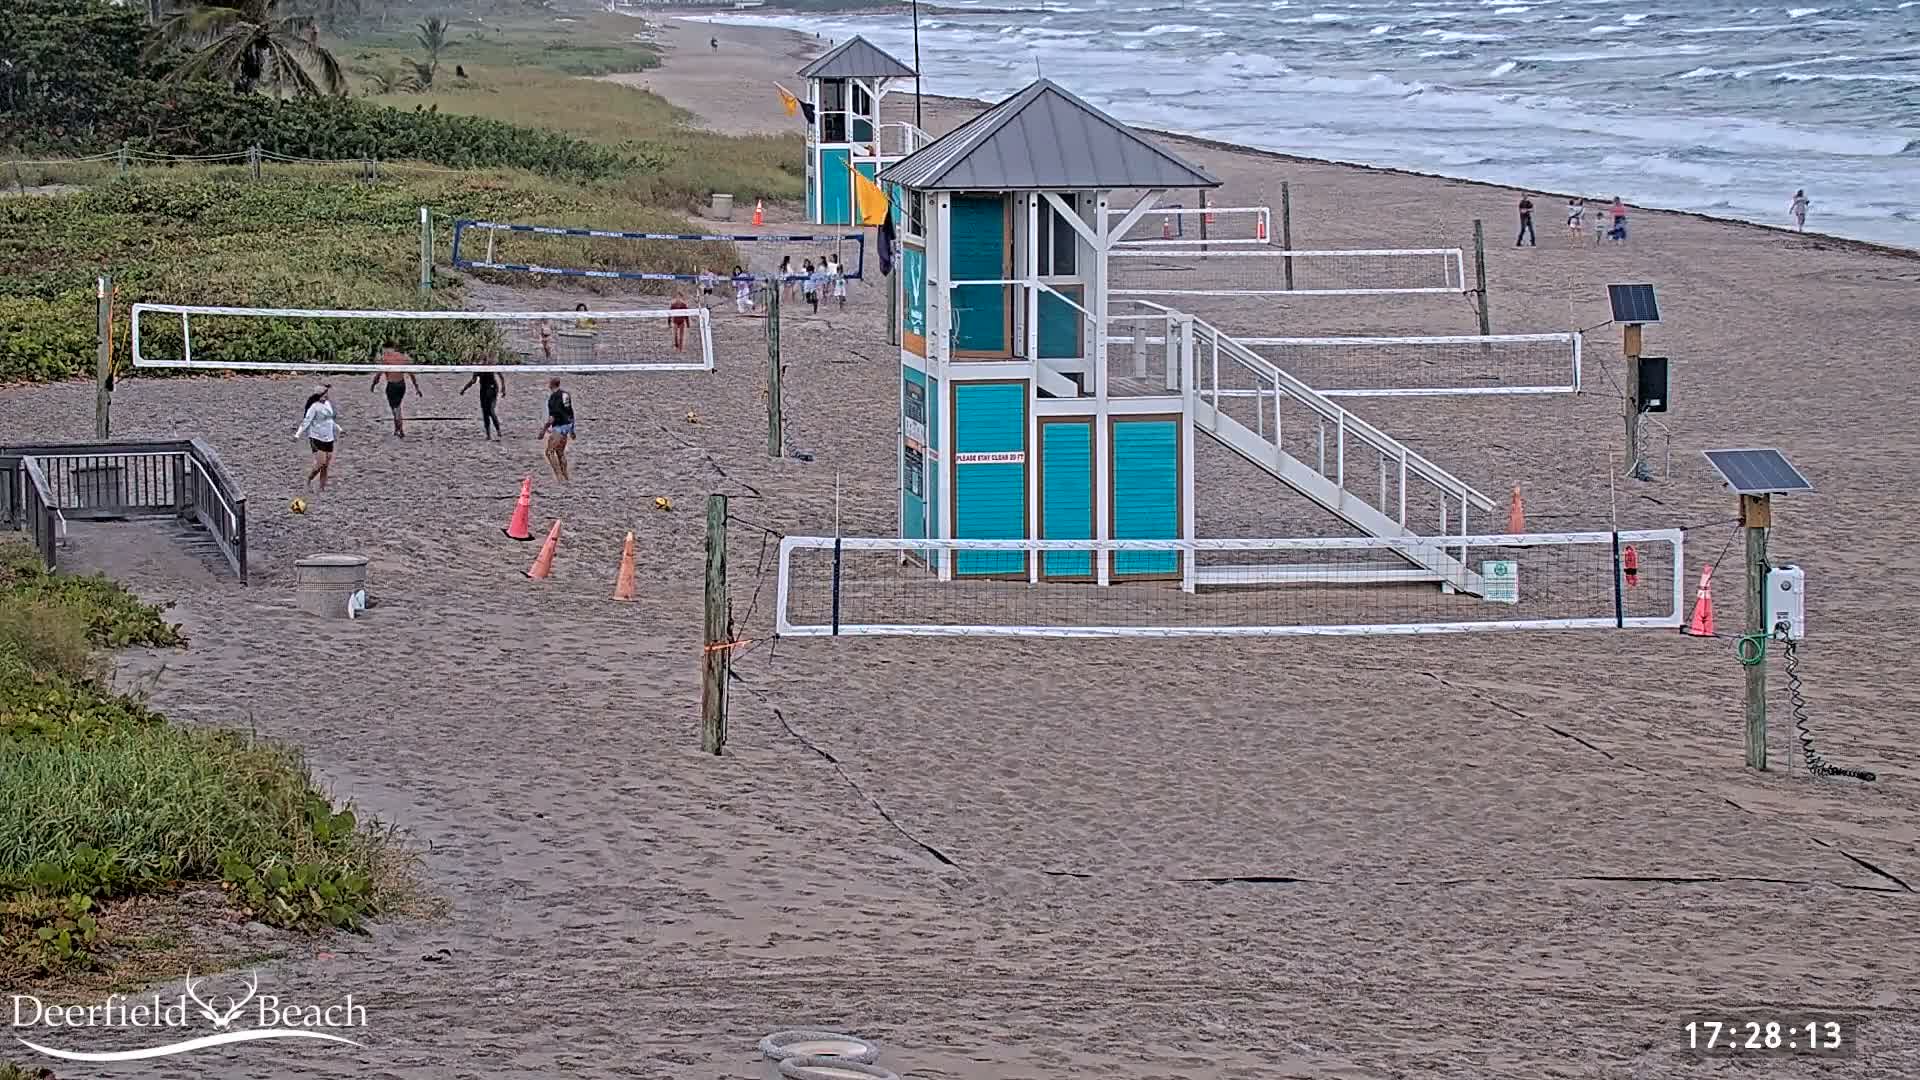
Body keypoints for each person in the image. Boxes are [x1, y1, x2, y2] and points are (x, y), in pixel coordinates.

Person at [369, 340, 422, 438]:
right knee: (397, 407)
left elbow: (379, 374)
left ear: (387, 348)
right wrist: (416, 387)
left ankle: (399, 429)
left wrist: (373, 384)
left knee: (395, 409)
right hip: (402, 385)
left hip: (392, 385)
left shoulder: (385, 358)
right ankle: (397, 429)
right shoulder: (403, 358)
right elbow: (411, 374)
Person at [294, 384, 340, 492]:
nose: (326, 396)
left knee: (326, 465)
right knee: (320, 463)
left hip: (329, 437)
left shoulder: (328, 404)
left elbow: (330, 419)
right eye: (324, 394)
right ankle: (309, 480)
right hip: (316, 437)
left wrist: (338, 428)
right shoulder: (314, 407)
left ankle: (322, 488)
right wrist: (298, 434)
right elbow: (307, 421)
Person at [538, 376, 575, 483]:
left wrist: (543, 431)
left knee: (549, 452)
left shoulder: (553, 398)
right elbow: (570, 412)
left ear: (551, 385)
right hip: (567, 426)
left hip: (558, 427)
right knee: (560, 452)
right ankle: (566, 477)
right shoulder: (566, 395)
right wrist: (572, 429)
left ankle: (559, 477)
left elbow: (551, 419)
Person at [459, 361, 505, 441]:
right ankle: (488, 434)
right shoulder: (478, 368)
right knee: (485, 413)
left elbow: (500, 375)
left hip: (492, 388)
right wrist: (464, 389)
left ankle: (498, 430)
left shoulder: (491, 365)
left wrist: (503, 388)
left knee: (491, 410)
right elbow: (473, 380)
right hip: (483, 390)